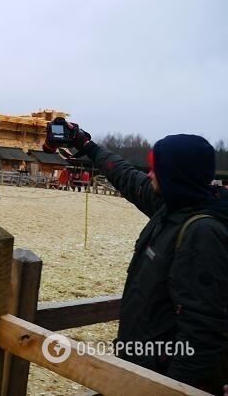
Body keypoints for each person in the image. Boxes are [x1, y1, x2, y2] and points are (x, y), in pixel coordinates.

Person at [48, 120, 228, 393]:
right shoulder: (171, 206)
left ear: (176, 174)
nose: (151, 173)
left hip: (159, 378)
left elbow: (201, 332)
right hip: (140, 366)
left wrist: (170, 390)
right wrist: (87, 146)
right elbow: (126, 176)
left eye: (158, 168)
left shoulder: (202, 232)